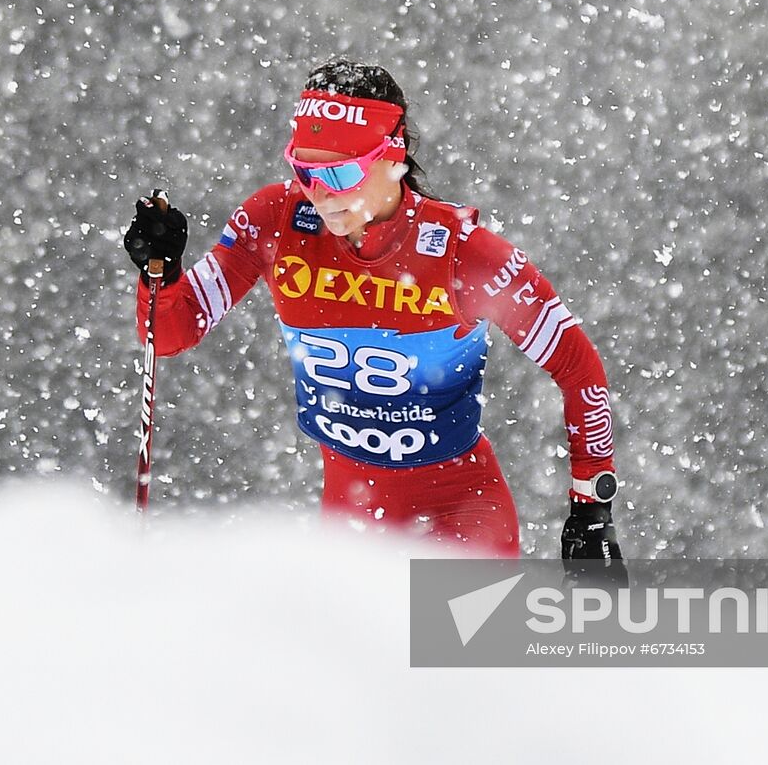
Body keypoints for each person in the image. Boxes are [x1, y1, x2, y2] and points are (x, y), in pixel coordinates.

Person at [124, 58, 625, 568]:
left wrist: (591, 508)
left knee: (438, 650)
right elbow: (167, 336)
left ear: (394, 154)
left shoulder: (462, 254)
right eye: (304, 170)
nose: (320, 193)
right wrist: (157, 273)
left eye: (341, 172)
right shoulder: (275, 223)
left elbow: (577, 366)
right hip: (350, 524)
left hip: (461, 517)